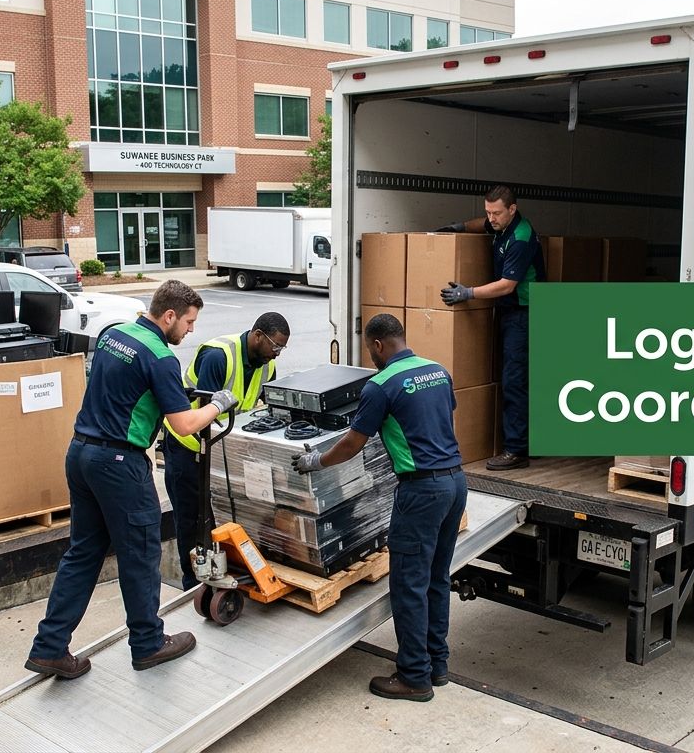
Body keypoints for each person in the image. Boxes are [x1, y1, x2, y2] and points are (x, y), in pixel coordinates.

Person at [26, 280, 237, 679]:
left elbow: (129, 387)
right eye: (189, 322)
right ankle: (148, 644)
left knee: (83, 553)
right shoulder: (160, 358)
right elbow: (184, 424)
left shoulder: (114, 333)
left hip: (81, 453)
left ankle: (49, 647)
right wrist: (217, 404)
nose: (191, 331)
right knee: (140, 555)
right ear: (170, 315)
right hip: (119, 463)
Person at [292, 314, 467, 702]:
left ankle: (414, 678)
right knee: (437, 579)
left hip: (421, 492)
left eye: (370, 349)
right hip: (455, 483)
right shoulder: (438, 371)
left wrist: (315, 461)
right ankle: (437, 666)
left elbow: (353, 443)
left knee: (408, 585)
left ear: (377, 345)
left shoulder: (381, 385)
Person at [162, 312, 290, 588]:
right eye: (275, 347)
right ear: (258, 336)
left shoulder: (266, 366)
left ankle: (224, 570)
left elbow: (261, 410)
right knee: (192, 518)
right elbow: (205, 415)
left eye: (282, 349)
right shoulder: (218, 356)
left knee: (222, 515)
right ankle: (193, 582)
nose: (276, 354)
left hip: (222, 449)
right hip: (189, 447)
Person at [436, 185, 545, 471]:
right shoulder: (500, 224)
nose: (491, 218)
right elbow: (480, 224)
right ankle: (530, 440)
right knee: (516, 377)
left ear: (513, 208)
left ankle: (517, 450)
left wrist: (468, 293)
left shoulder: (521, 237)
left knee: (514, 379)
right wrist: (458, 227)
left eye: (496, 213)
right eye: (488, 212)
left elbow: (507, 285)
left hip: (526, 313)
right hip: (511, 311)